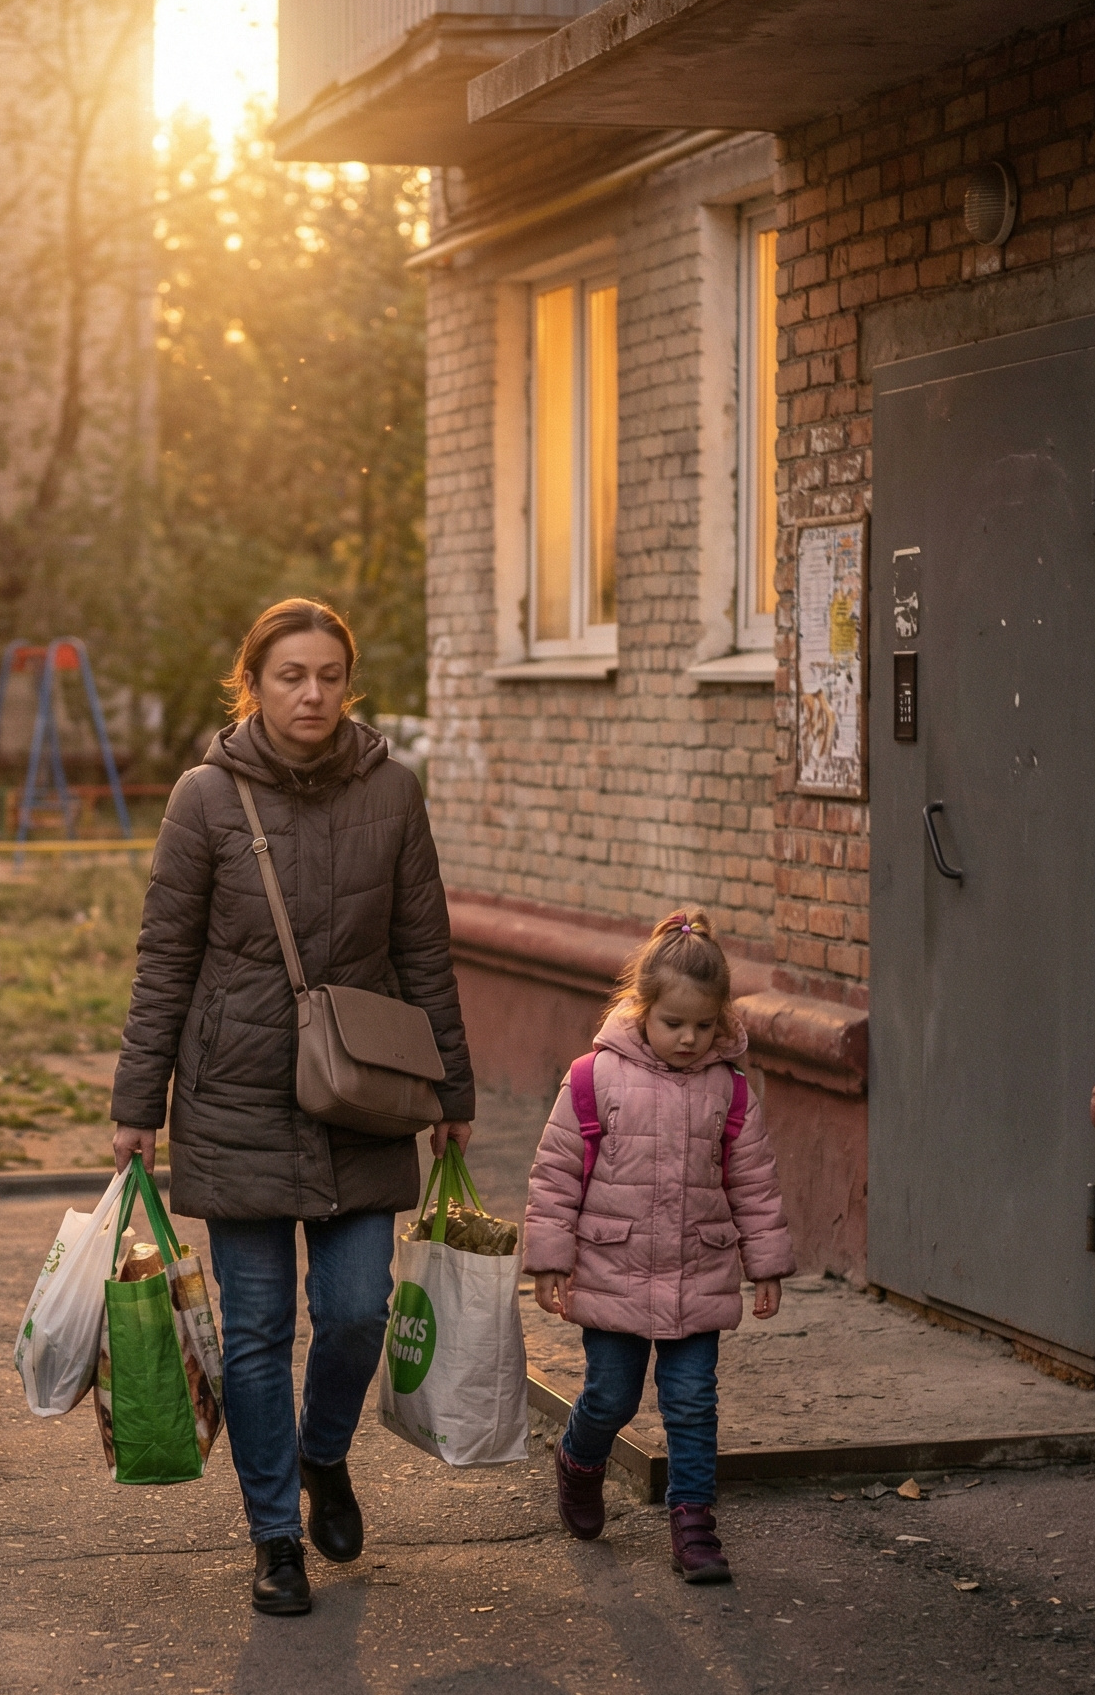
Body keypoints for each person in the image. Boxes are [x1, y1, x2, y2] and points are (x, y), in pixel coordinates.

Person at [111, 598, 475, 1617]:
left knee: (357, 1309)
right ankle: (272, 1533)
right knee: (260, 1325)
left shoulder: (393, 793)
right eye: (288, 675)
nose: (310, 693)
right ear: (253, 685)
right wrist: (137, 1100)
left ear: (344, 682)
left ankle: (324, 1455)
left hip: (363, 1090)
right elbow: (164, 960)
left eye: (326, 674)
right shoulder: (204, 800)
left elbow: (423, 950)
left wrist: (450, 1087)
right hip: (237, 1093)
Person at [525, 911, 795, 1583]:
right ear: (642, 1009)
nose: (690, 1038)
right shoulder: (595, 1079)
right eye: (675, 1023)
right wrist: (550, 1259)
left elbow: (754, 1184)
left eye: (705, 1026)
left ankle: (695, 1523)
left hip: (698, 1273)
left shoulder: (729, 1091)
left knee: (691, 1404)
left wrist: (765, 1265)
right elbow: (556, 1174)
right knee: (611, 1398)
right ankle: (580, 1462)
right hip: (613, 1270)